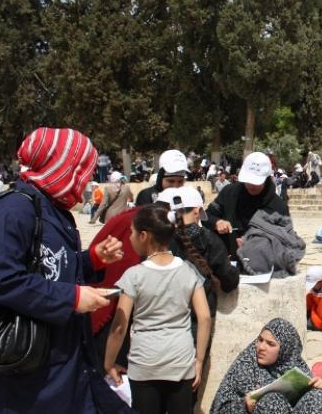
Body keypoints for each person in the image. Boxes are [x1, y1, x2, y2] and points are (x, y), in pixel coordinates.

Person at [0, 127, 129, 413]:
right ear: (64, 167)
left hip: (64, 369)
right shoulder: (16, 209)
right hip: (26, 381)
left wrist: (91, 259)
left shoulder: (54, 211)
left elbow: (50, 268)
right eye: (82, 170)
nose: (87, 181)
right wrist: (71, 298)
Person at [104, 204, 211, 414]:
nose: (131, 237)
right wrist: (198, 361)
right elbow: (205, 317)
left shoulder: (134, 275)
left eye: (132, 233)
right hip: (181, 362)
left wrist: (109, 363)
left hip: (144, 364)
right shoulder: (188, 270)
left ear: (144, 236)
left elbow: (119, 326)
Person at [211, 318, 322, 413]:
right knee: (271, 400)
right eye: (260, 340)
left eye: (270, 344)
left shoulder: (294, 365)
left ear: (285, 350)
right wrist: (244, 405)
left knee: (318, 396)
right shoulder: (245, 366)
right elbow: (219, 409)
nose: (261, 347)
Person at [157, 186, 239, 324]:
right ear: (197, 211)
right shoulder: (209, 239)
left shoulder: (160, 239)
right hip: (197, 320)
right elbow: (228, 280)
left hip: (165, 317)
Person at [205, 152, 290, 258]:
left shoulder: (278, 207)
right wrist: (217, 222)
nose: (251, 185)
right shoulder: (229, 193)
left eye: (256, 182)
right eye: (248, 180)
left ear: (266, 178)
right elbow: (207, 216)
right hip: (227, 263)